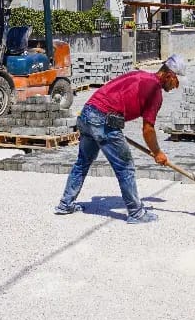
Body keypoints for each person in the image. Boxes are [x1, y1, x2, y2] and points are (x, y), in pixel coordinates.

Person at [54, 54, 186, 224]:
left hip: (87, 114)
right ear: (169, 76)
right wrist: (158, 152)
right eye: (177, 81)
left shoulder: (139, 75)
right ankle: (136, 213)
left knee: (83, 162)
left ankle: (66, 204)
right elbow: (148, 130)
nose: (176, 86)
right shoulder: (155, 91)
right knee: (125, 167)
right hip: (103, 121)